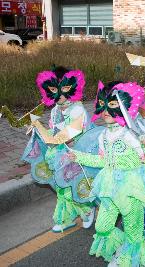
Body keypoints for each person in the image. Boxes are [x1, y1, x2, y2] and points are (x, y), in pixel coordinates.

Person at [68, 81, 145, 266]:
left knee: (133, 229)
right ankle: (128, 247)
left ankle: (129, 256)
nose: (106, 110)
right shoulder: (103, 135)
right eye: (103, 104)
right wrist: (77, 156)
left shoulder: (132, 134)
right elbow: (102, 161)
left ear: (124, 106)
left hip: (131, 188)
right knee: (102, 226)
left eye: (113, 104)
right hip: (108, 186)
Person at [26, 66, 96, 233]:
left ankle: (87, 207)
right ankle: (66, 217)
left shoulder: (78, 110)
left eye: (63, 89)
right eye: (53, 90)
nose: (58, 95)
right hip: (60, 153)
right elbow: (55, 131)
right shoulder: (55, 110)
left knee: (77, 184)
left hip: (78, 154)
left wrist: (59, 139)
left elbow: (73, 134)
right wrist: (39, 128)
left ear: (72, 88)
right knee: (62, 186)